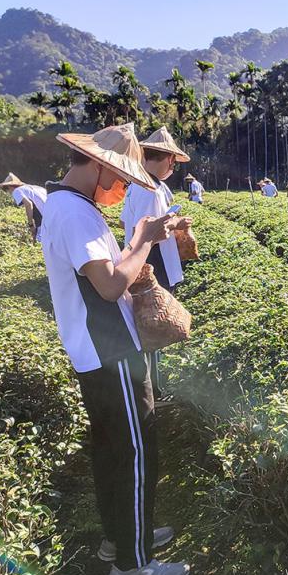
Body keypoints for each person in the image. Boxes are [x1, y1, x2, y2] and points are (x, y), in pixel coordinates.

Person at [41, 123, 190, 575]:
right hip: (111, 351)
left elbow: (102, 274)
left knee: (111, 451)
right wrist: (143, 238)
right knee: (135, 451)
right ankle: (133, 564)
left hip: (95, 351)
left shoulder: (66, 204)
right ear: (100, 166)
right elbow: (108, 286)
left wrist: (138, 243)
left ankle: (122, 537)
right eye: (122, 178)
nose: (124, 189)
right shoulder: (75, 212)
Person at [121, 126, 192, 400]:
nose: (173, 167)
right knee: (154, 325)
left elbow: (126, 223)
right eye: (173, 162)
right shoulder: (150, 189)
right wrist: (176, 223)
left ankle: (154, 387)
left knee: (149, 326)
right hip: (153, 263)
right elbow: (150, 232)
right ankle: (155, 391)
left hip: (143, 260)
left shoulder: (137, 185)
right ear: (168, 158)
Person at [0, 172, 48, 243]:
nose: (7, 192)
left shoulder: (16, 191)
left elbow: (28, 204)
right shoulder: (35, 188)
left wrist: (31, 225)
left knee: (40, 242)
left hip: (43, 220)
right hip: (53, 215)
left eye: (6, 189)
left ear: (10, 186)